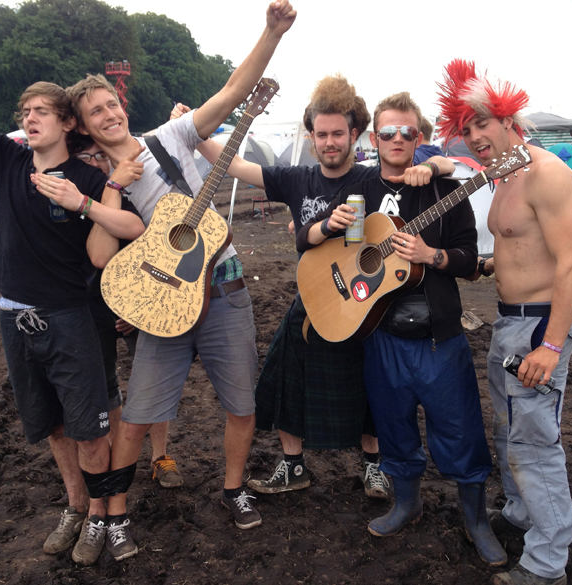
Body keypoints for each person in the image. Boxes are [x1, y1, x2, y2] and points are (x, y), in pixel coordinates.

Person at [68, 0, 297, 561]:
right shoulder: (98, 176)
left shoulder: (168, 137)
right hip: (164, 307)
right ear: (86, 126)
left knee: (241, 405)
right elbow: (102, 255)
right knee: (141, 413)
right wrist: (111, 186)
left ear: (121, 103)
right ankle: (116, 513)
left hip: (226, 293)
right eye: (95, 112)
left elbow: (229, 94)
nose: (108, 115)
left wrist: (270, 33)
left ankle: (234, 488)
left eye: (109, 104)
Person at [0, 52, 146, 567]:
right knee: (52, 426)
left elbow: (110, 251)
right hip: (15, 316)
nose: (30, 119)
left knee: (89, 427)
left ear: (65, 122)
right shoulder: (7, 159)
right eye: (24, 112)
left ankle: (103, 513)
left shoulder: (87, 178)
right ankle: (76, 505)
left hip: (71, 317)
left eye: (41, 111)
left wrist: (103, 190)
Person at [176, 75, 455, 501]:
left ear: (354, 135)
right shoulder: (295, 178)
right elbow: (232, 163)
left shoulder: (370, 179)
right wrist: (191, 132)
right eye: (321, 134)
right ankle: (292, 465)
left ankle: (373, 467)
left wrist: (435, 164)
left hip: (360, 300)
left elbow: (442, 165)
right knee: (287, 379)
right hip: (312, 295)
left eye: (338, 134)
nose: (330, 142)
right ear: (311, 137)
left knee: (368, 383)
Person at [296, 92, 507, 568]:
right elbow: (321, 242)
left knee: (460, 430)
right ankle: (407, 503)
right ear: (374, 138)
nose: (396, 139)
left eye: (406, 132)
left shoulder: (443, 191)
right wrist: (331, 230)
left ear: (420, 137)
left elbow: (471, 261)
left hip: (438, 338)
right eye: (387, 132)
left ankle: (476, 520)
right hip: (381, 335)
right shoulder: (359, 187)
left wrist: (430, 256)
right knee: (393, 428)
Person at [439, 59, 572, 585]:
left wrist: (549, 346)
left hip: (541, 327)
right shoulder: (504, 174)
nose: (475, 136)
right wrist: (486, 266)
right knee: (510, 432)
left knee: (534, 444)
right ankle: (523, 514)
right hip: (509, 323)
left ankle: (546, 566)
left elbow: (571, 264)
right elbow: (523, 246)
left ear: (507, 119)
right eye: (466, 128)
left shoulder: (549, 174)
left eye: (483, 123)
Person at [71, 135, 184, 490]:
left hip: (138, 303)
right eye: (85, 157)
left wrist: (136, 310)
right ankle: (121, 456)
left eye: (99, 156)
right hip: (91, 304)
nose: (94, 163)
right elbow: (93, 258)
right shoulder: (70, 202)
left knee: (152, 382)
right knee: (106, 385)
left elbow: (156, 260)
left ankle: (160, 456)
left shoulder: (131, 202)